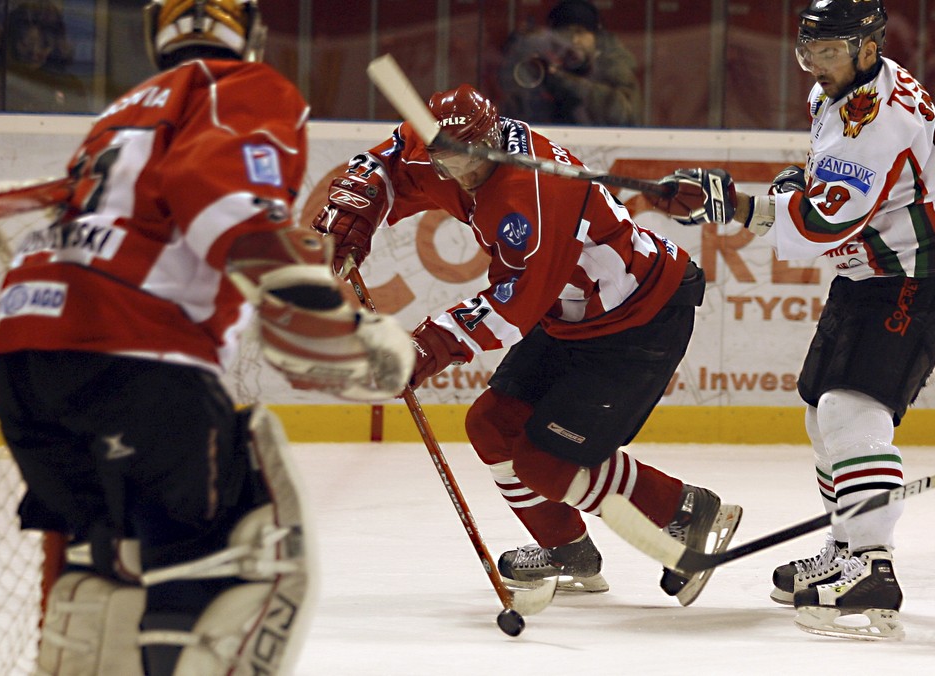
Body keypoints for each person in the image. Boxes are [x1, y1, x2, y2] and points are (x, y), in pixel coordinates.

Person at [0, 1, 412, 674]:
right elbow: (220, 195)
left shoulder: (120, 110)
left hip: (26, 365)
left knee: (107, 573)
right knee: (231, 561)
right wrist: (323, 317)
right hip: (138, 359)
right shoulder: (241, 86)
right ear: (247, 28)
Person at [312, 83, 741, 606]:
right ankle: (569, 552)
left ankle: (684, 510)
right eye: (438, 159)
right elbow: (385, 161)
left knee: (545, 463)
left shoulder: (532, 198)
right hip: (569, 313)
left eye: (458, 163)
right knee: (491, 426)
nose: (446, 174)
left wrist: (423, 349)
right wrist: (357, 213)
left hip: (637, 318)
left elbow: (512, 307)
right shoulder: (447, 149)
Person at [646, 0, 935, 639]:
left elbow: (823, 223)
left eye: (830, 50)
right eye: (810, 49)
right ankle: (847, 550)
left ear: (868, 47)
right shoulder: (844, 93)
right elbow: (822, 189)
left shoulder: (880, 118)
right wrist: (762, 196)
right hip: (871, 273)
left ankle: (872, 565)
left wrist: (732, 203)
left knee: (851, 408)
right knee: (821, 411)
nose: (816, 63)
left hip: (915, 277)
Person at [497, 0, 640, 126]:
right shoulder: (544, 65)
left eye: (581, 33)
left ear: (595, 36)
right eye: (567, 34)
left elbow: (625, 115)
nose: (575, 41)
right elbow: (517, 117)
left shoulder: (613, 66)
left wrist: (565, 82)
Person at [0, 0, 89, 113]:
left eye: (45, 44)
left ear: (57, 46)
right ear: (10, 41)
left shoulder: (69, 86)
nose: (34, 52)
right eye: (25, 43)